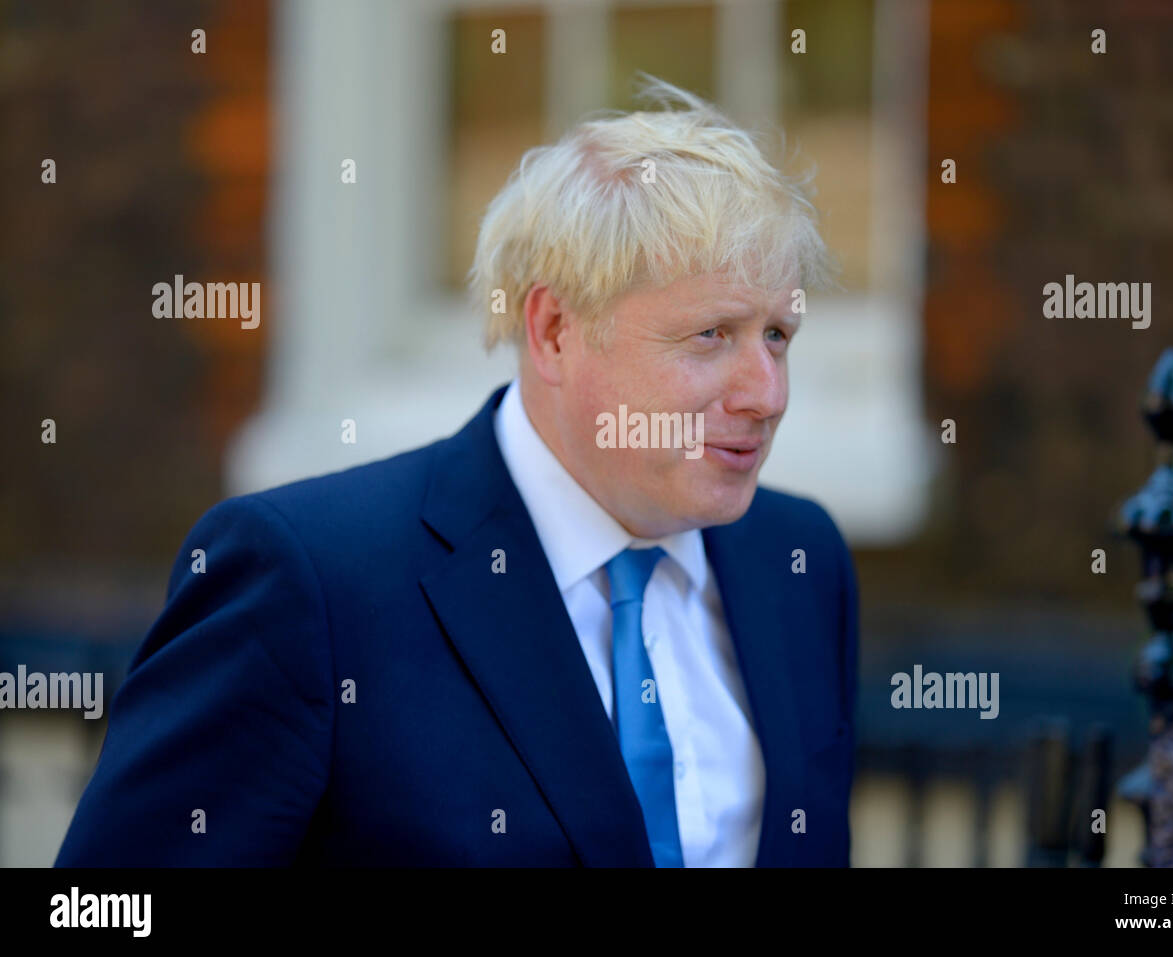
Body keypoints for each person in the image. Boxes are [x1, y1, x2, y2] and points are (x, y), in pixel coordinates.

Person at [55, 75, 859, 867]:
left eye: (778, 335)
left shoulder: (798, 559)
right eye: (713, 334)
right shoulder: (311, 580)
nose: (767, 393)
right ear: (552, 330)